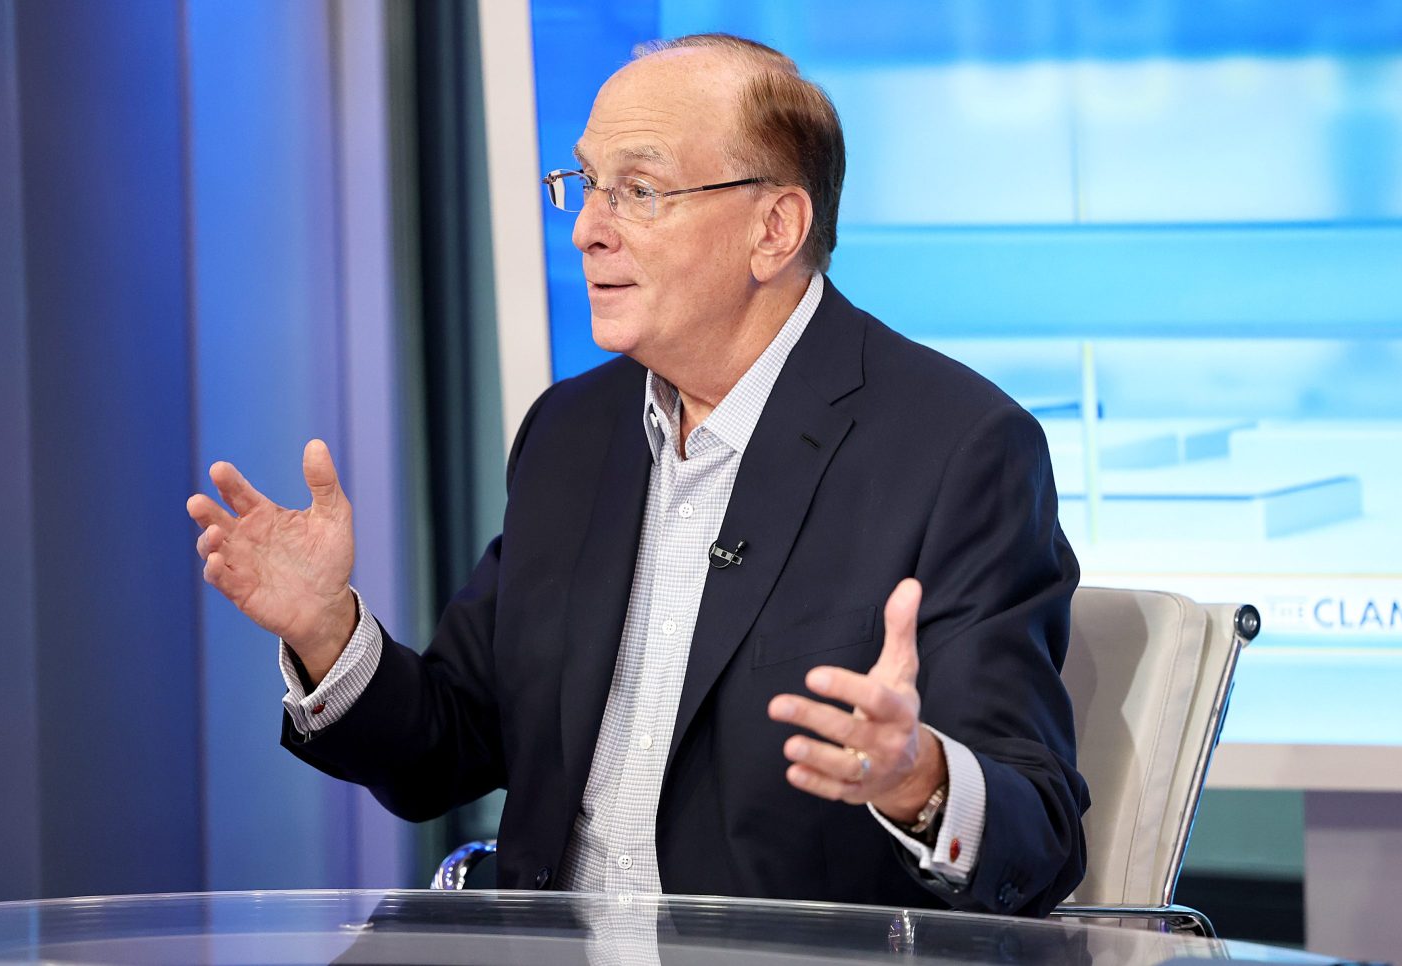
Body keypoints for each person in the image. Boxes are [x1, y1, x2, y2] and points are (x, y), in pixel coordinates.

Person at [187, 33, 1087, 916]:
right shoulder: (571, 431)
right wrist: (327, 633)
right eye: (585, 184)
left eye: (639, 191)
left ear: (774, 228)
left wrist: (918, 779)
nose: (587, 229)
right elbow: (448, 747)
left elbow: (1039, 836)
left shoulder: (958, 450)